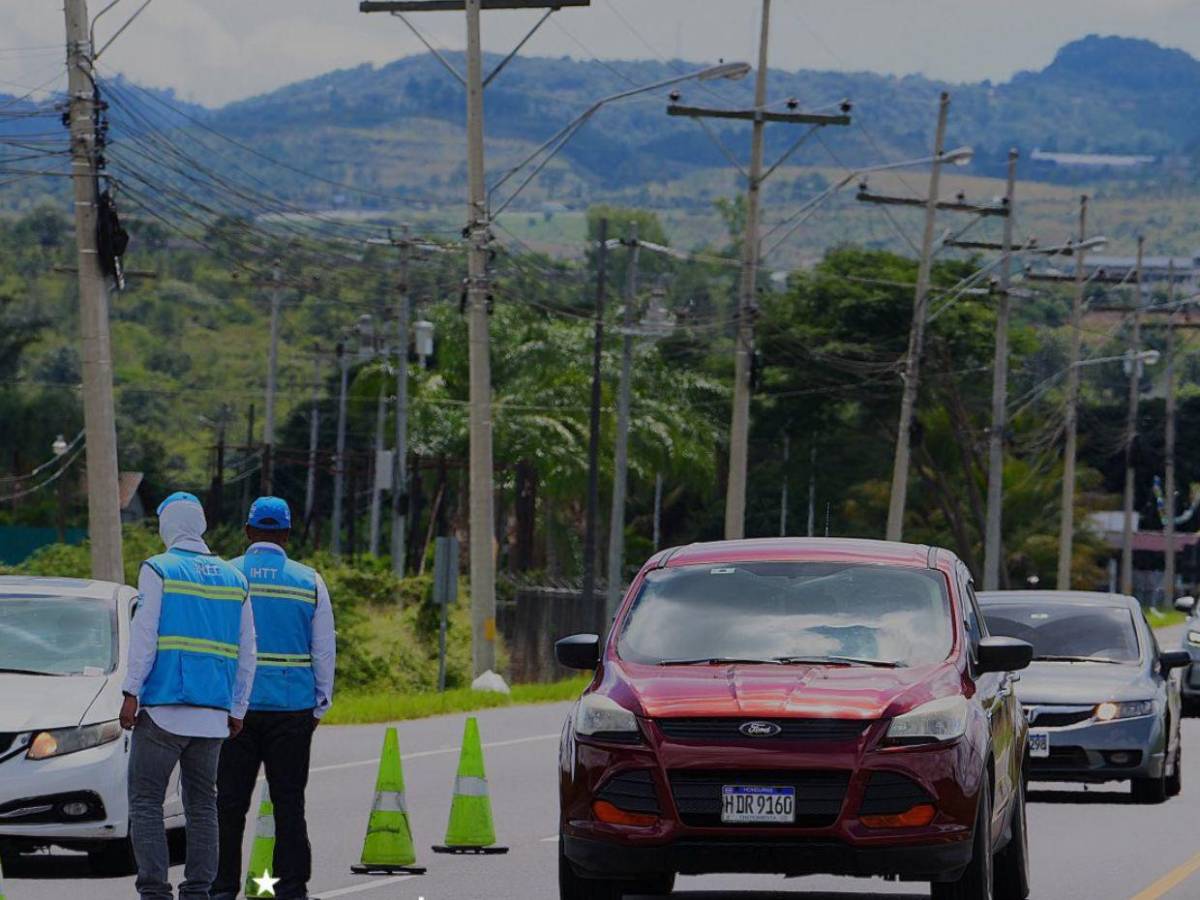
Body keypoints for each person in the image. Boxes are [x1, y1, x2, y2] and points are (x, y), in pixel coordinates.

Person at [120, 492, 257, 900]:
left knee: (146, 802)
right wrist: (238, 708)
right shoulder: (236, 578)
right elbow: (248, 650)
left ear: (167, 526)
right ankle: (198, 892)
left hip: (164, 710)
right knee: (202, 805)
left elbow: (144, 636)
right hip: (212, 715)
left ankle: (155, 892)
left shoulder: (158, 569)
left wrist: (130, 691)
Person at [212, 497, 336, 900]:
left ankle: (221, 888)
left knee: (228, 804)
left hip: (235, 711)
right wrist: (320, 704)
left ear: (248, 531)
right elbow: (323, 650)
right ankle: (291, 889)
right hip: (293, 708)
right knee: (288, 803)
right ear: (286, 534)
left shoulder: (227, 575)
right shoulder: (309, 581)